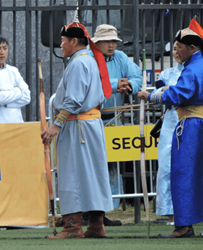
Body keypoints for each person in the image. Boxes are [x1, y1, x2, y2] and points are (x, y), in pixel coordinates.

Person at [40, 15, 113, 239]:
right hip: (87, 124)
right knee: (91, 174)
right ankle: (96, 225)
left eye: (63, 40)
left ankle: (72, 226)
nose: (60, 45)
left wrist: (55, 126)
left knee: (72, 174)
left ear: (74, 41)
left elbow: (73, 100)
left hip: (77, 126)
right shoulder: (88, 60)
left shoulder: (80, 62)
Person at [138, 19, 203, 238]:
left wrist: (152, 96)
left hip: (193, 125)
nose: (176, 50)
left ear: (192, 48)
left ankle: (183, 226)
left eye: (180, 47)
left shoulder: (193, 68)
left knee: (183, 173)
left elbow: (178, 94)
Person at [89, 24, 143, 224]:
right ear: (97, 42)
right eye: (107, 41)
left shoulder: (120, 57)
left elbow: (137, 75)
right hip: (92, 120)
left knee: (111, 167)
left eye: (114, 41)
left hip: (114, 120)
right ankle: (92, 212)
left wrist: (130, 85)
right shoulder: (89, 58)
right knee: (93, 167)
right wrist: (115, 84)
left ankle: (103, 212)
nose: (111, 45)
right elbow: (91, 82)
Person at [153, 41, 183, 225]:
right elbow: (158, 97)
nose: (177, 51)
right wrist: (161, 92)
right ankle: (171, 215)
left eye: (181, 47)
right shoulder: (166, 74)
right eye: (175, 48)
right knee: (167, 167)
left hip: (193, 120)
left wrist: (169, 91)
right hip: (171, 123)